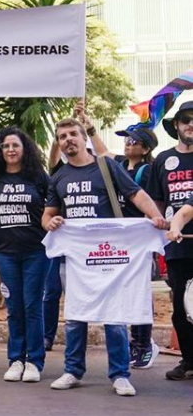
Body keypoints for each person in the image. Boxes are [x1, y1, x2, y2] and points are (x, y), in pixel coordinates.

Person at [43, 118, 167, 396]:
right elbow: (48, 214)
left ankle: (120, 374)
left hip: (109, 256)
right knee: (75, 316)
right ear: (59, 143)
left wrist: (155, 217)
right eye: (62, 136)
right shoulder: (59, 177)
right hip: (77, 259)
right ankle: (73, 370)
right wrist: (50, 222)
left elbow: (136, 194)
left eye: (73, 134)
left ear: (83, 137)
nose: (68, 139)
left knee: (115, 315)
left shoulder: (106, 166)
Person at [81, 107, 161, 370]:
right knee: (124, 290)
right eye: (126, 140)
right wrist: (90, 129)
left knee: (139, 291)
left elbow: (148, 200)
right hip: (121, 237)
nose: (128, 144)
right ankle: (133, 343)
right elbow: (104, 154)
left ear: (146, 148)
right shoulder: (121, 165)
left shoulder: (147, 171)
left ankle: (143, 343)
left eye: (134, 141)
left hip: (138, 237)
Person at [0, 127, 50, 383]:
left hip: (36, 252)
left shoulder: (38, 177)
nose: (10, 150)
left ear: (24, 149)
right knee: (14, 308)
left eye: (15, 145)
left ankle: (34, 361)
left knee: (32, 307)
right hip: (6, 253)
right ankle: (16, 359)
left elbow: (54, 205)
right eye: (6, 146)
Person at [147, 100, 193, 381]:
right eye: (186, 119)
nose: (191, 124)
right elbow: (156, 201)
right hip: (176, 245)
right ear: (176, 125)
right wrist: (158, 224)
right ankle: (189, 361)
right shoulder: (163, 160)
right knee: (181, 308)